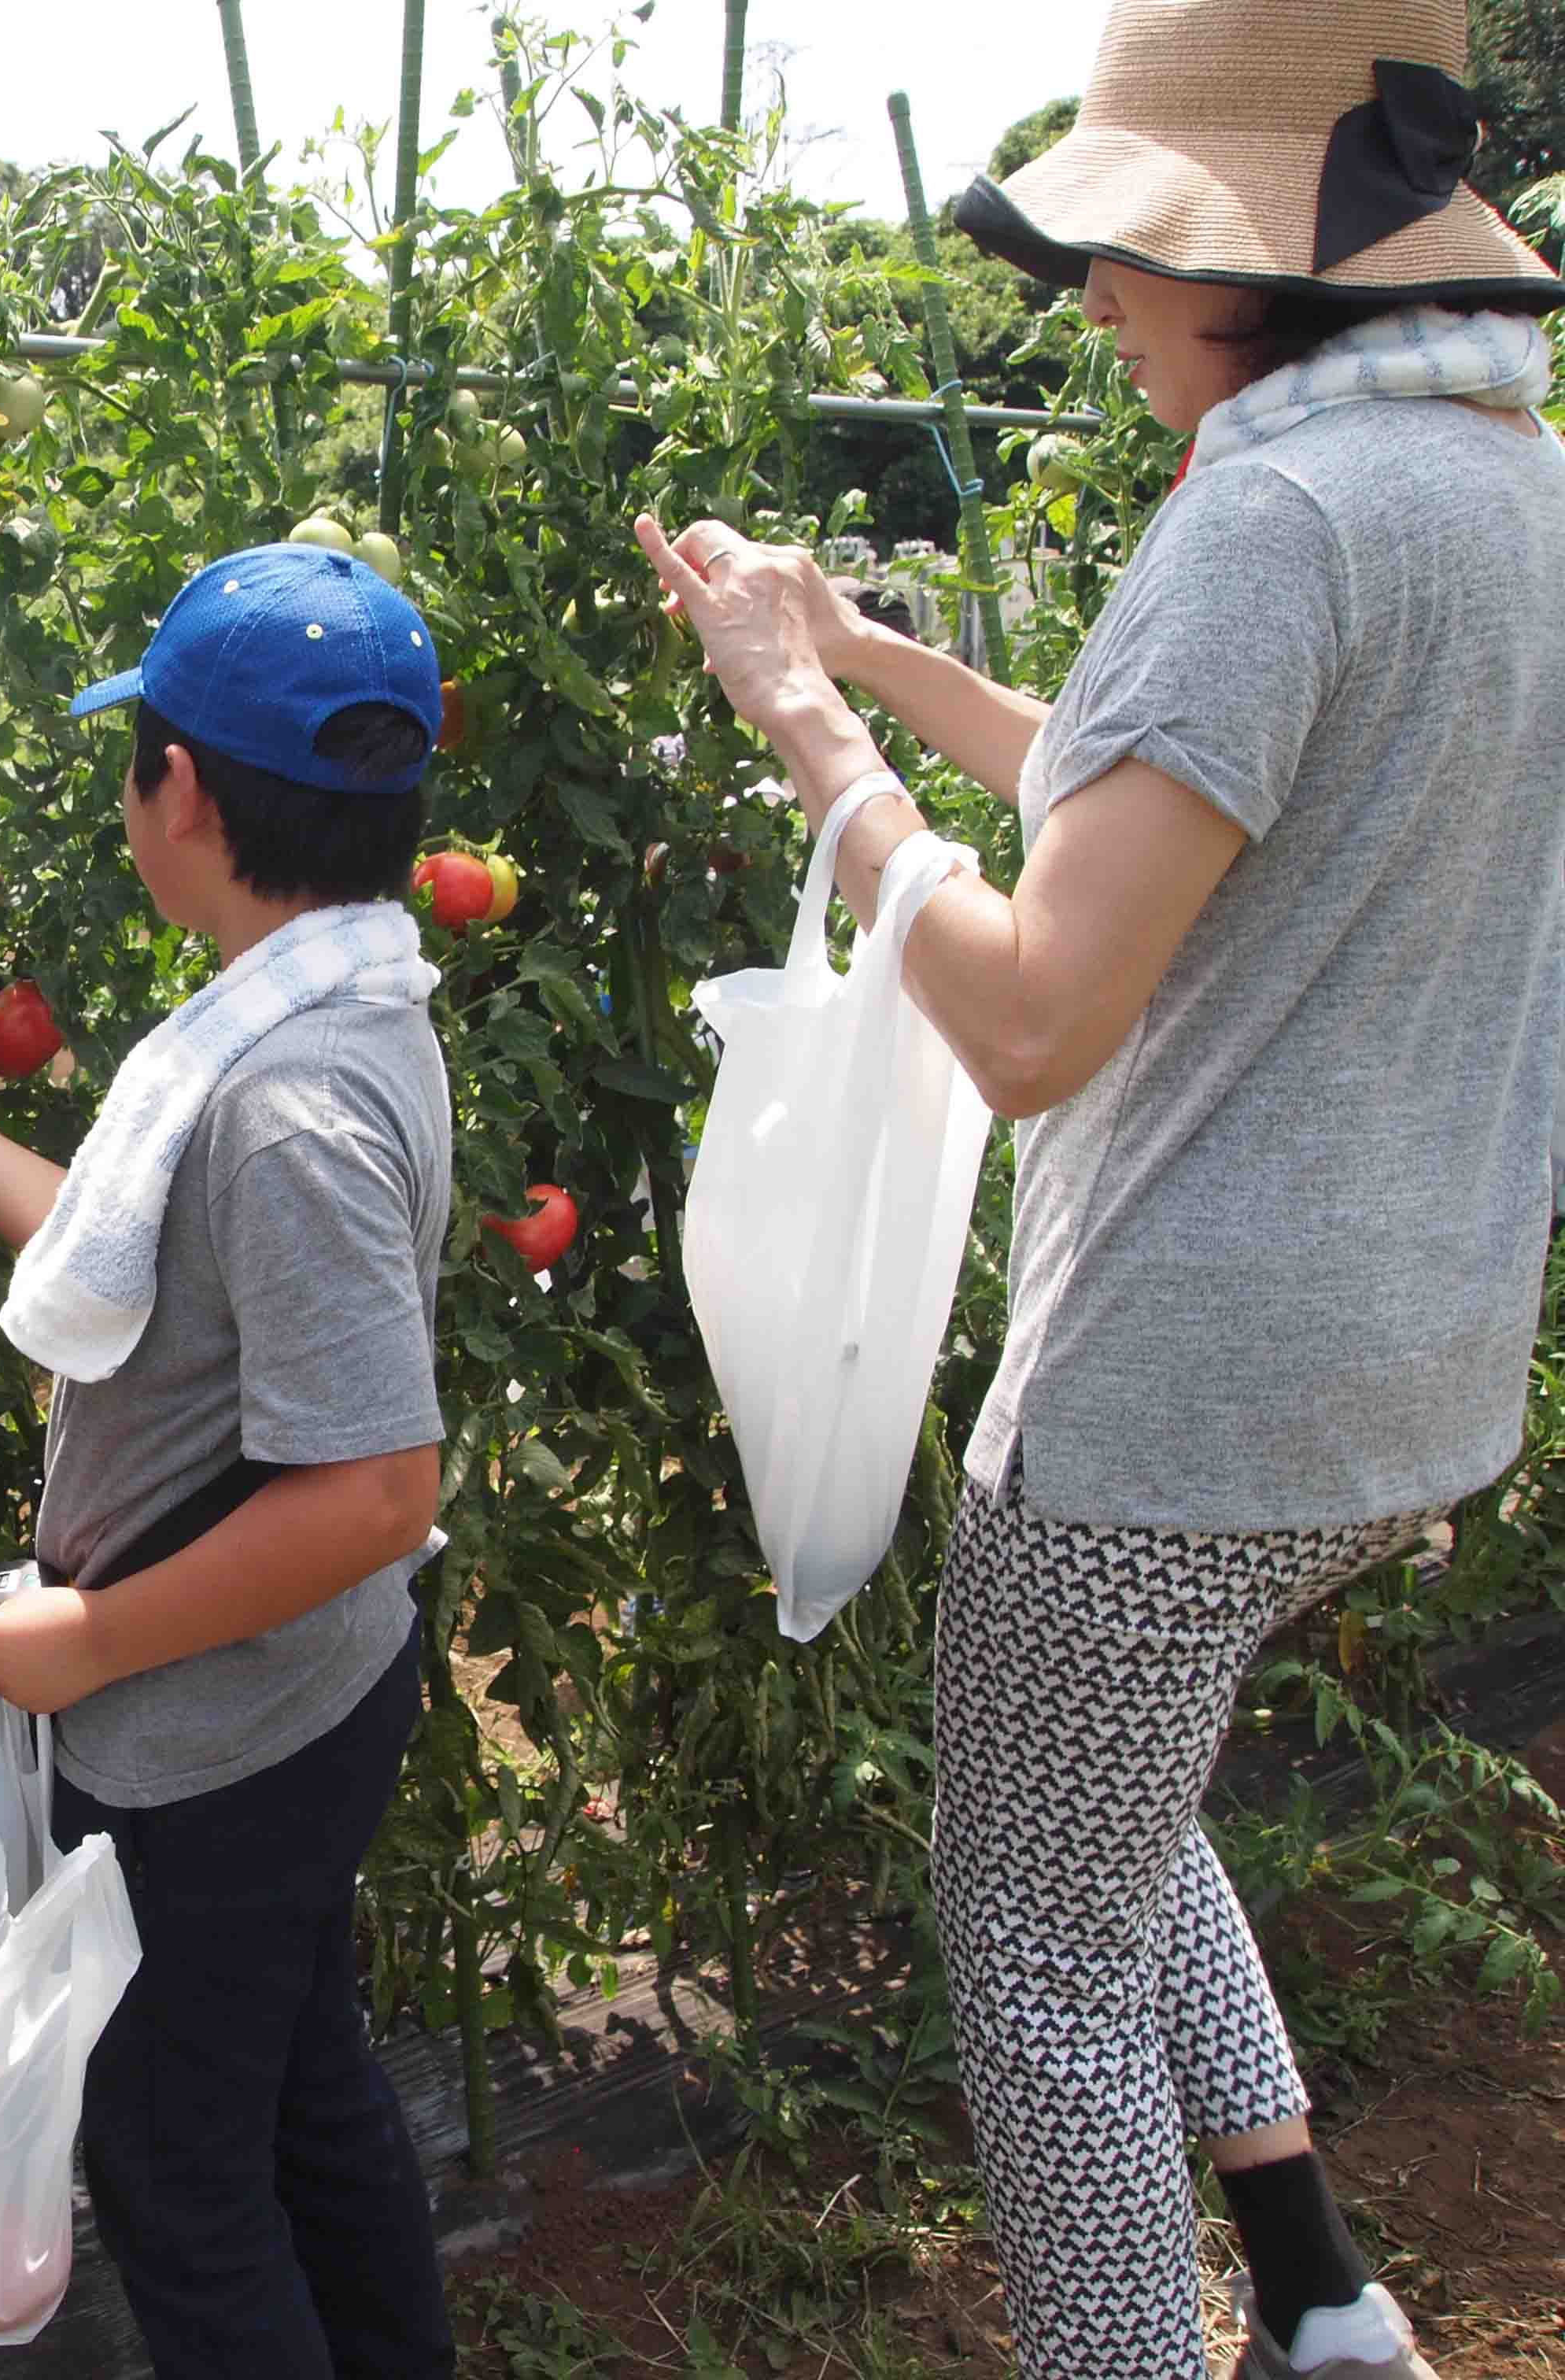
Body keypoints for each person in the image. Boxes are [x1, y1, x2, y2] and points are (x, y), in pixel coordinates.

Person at [634, 4, 1565, 2376]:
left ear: (1281, 267)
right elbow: (1177, 786)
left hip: (1182, 1388)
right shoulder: (1493, 486)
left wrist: (805, 736)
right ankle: (1328, 2293)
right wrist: (878, 657)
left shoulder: (1269, 513)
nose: (1100, 296)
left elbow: (1038, 1013)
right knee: (1113, 1807)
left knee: (1040, 1951)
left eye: (1137, 249)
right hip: (1405, 1359)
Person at [0, 542, 459, 2379]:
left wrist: (94, 1645)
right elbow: (133, 1284)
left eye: (136, 760)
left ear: (179, 790)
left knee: (182, 2184)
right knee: (298, 2093)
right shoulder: (329, 1015)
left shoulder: (281, 1103)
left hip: (212, 1738)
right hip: (295, 1698)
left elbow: (376, 1490)